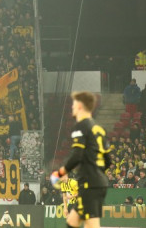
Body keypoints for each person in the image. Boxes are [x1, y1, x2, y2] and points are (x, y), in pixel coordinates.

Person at [51, 91, 111, 228]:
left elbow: (77, 155)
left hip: (89, 184)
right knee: (72, 222)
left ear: (80, 106)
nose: (72, 107)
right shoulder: (99, 129)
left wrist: (61, 172)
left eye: (74, 104)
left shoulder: (81, 126)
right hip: (96, 183)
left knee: (91, 224)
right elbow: (108, 160)